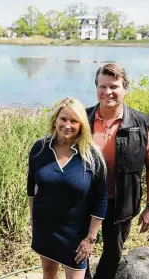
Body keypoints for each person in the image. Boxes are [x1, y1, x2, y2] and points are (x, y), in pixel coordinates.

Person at [85, 63, 149, 279]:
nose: (107, 92)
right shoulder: (82, 119)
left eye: (114, 86)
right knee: (78, 248)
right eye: (102, 86)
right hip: (84, 200)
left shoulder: (142, 123)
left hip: (121, 202)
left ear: (125, 89)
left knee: (112, 252)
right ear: (96, 87)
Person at [27, 98, 108, 279]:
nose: (67, 125)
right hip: (45, 229)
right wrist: (34, 221)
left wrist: (90, 239)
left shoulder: (93, 156)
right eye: (63, 119)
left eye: (74, 121)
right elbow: (31, 187)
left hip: (76, 235)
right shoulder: (39, 148)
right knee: (48, 273)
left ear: (82, 125)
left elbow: (101, 200)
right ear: (55, 119)